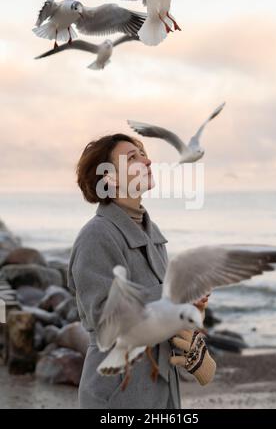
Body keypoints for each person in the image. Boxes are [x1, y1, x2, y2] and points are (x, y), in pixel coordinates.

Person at [68, 133, 208, 409]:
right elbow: (105, 318)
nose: (147, 160)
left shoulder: (152, 235)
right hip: (118, 391)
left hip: (162, 387)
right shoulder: (96, 236)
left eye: (142, 153)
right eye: (132, 157)